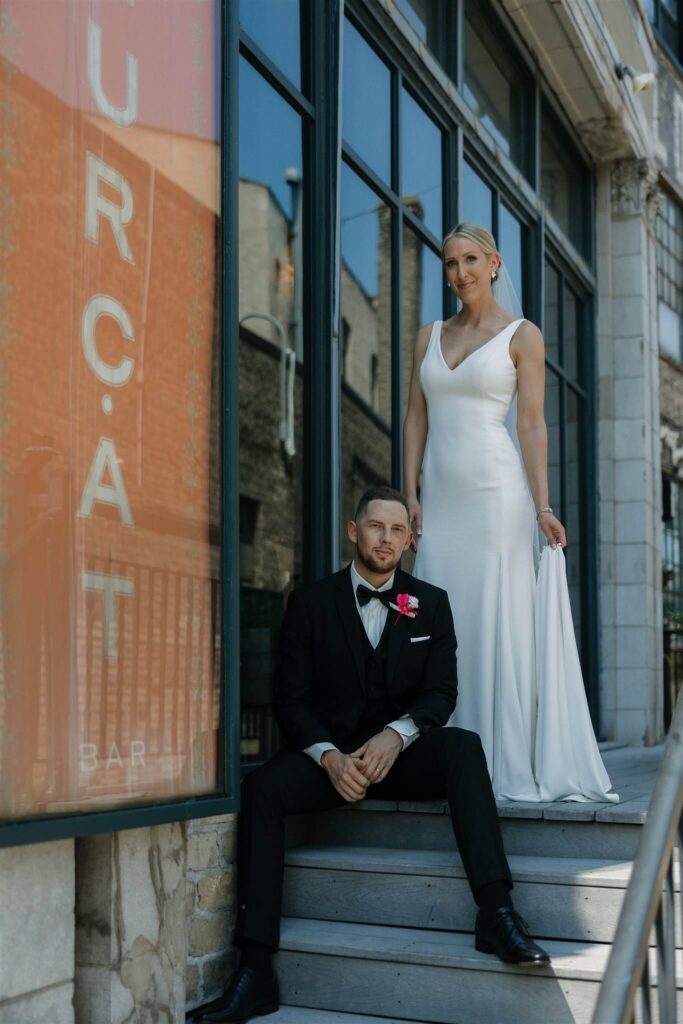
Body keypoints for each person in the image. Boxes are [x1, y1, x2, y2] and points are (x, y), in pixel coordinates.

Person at [194, 487, 549, 1024]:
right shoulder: (309, 603)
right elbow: (289, 699)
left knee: (464, 750)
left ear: (409, 540)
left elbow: (441, 694)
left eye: (397, 530)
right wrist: (328, 756)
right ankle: (256, 967)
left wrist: (396, 736)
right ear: (353, 530)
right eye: (376, 526)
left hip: (397, 757)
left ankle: (495, 911)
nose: (387, 538)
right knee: (262, 789)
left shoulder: (431, 602)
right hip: (331, 763)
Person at [403, 221, 616, 803]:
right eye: (450, 263)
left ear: (494, 264)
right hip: (441, 505)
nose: (460, 272)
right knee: (441, 619)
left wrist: (542, 506)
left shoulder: (523, 335)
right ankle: (442, 757)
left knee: (493, 615)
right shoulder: (425, 337)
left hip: (498, 497)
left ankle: (500, 758)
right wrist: (410, 495)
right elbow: (415, 419)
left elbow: (530, 424)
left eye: (470, 260)